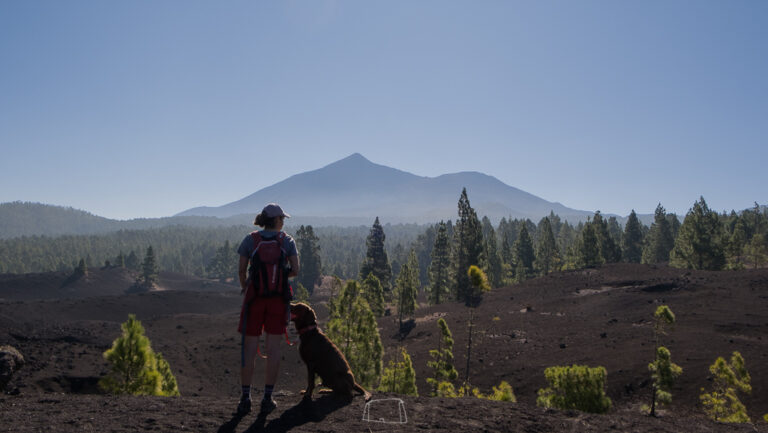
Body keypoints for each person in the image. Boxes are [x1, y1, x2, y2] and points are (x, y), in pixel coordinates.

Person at [236, 203, 299, 415]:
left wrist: (247, 286)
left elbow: (241, 270)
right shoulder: (287, 241)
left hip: (254, 298)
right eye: (282, 218)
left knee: (249, 349)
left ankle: (245, 398)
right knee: (273, 349)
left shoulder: (251, 240)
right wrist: (279, 278)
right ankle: (267, 397)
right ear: (277, 220)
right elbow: (296, 270)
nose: (283, 222)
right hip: (277, 300)